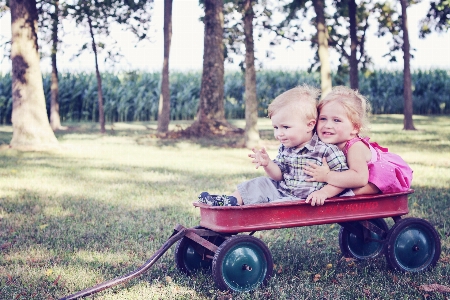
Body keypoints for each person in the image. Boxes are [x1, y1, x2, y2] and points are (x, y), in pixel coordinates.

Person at [198, 85, 351, 207]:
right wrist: (268, 164)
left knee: (274, 206)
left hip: (302, 201)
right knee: (260, 182)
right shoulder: (285, 147)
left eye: (285, 127)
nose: (279, 134)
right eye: (276, 128)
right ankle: (230, 201)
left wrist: (324, 193)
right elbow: (279, 175)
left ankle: (246, 209)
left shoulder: (326, 150)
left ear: (309, 125)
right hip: (282, 191)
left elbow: (343, 180)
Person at [304, 86, 413, 195]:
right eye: (323, 119)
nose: (327, 125)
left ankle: (347, 196)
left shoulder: (354, 147)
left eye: (336, 120)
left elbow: (360, 178)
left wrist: (327, 176)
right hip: (356, 175)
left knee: (359, 187)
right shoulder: (325, 142)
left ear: (355, 128)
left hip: (375, 176)